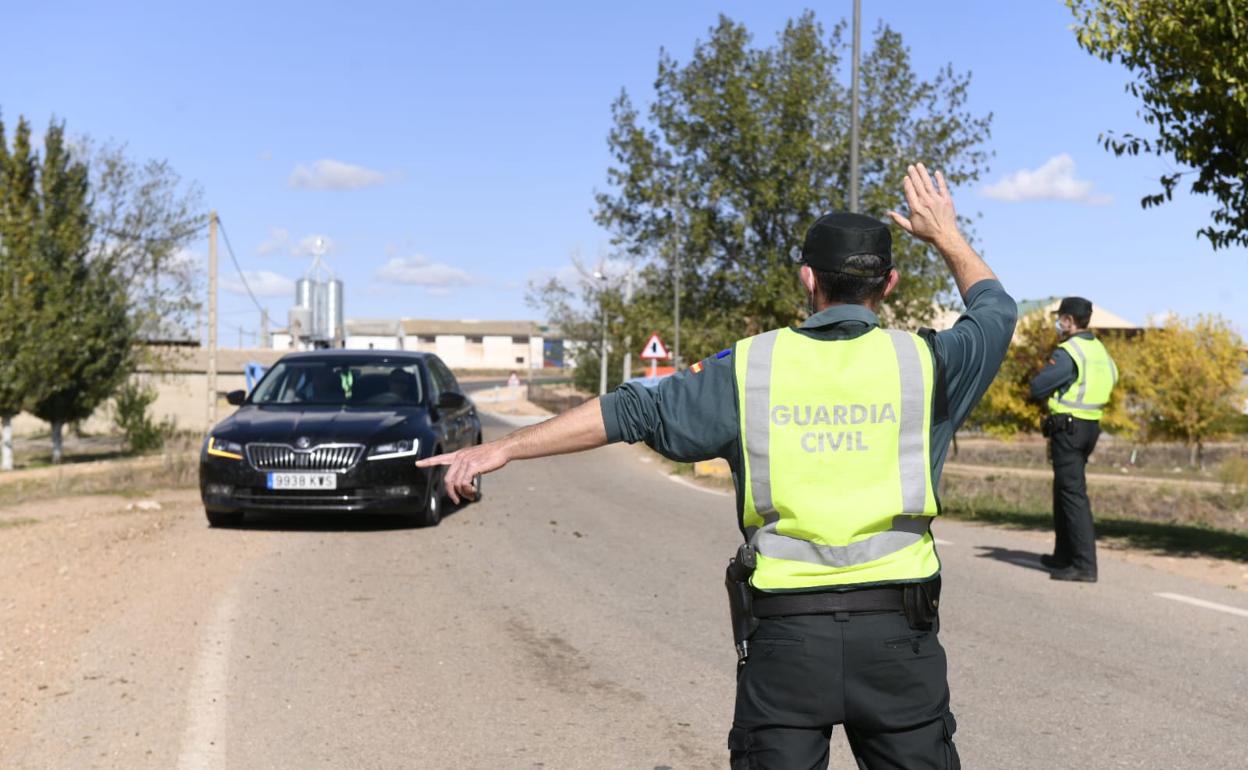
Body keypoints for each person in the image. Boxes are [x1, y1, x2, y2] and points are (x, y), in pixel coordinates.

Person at [418, 164, 1017, 769]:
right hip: (899, 643)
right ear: (887, 284)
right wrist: (946, 237)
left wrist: (507, 445)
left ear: (807, 278)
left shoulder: (751, 368)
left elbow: (632, 410)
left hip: (787, 644)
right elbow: (995, 310)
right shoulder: (929, 363)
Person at [1029, 296, 1119, 583]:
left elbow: (1039, 386)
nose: (1058, 323)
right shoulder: (1099, 350)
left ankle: (1084, 565)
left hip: (1068, 428)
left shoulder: (1069, 351)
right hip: (1090, 426)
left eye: (1060, 318)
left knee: (1073, 494)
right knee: (1065, 489)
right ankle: (1063, 555)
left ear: (1068, 320)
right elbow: (1113, 379)